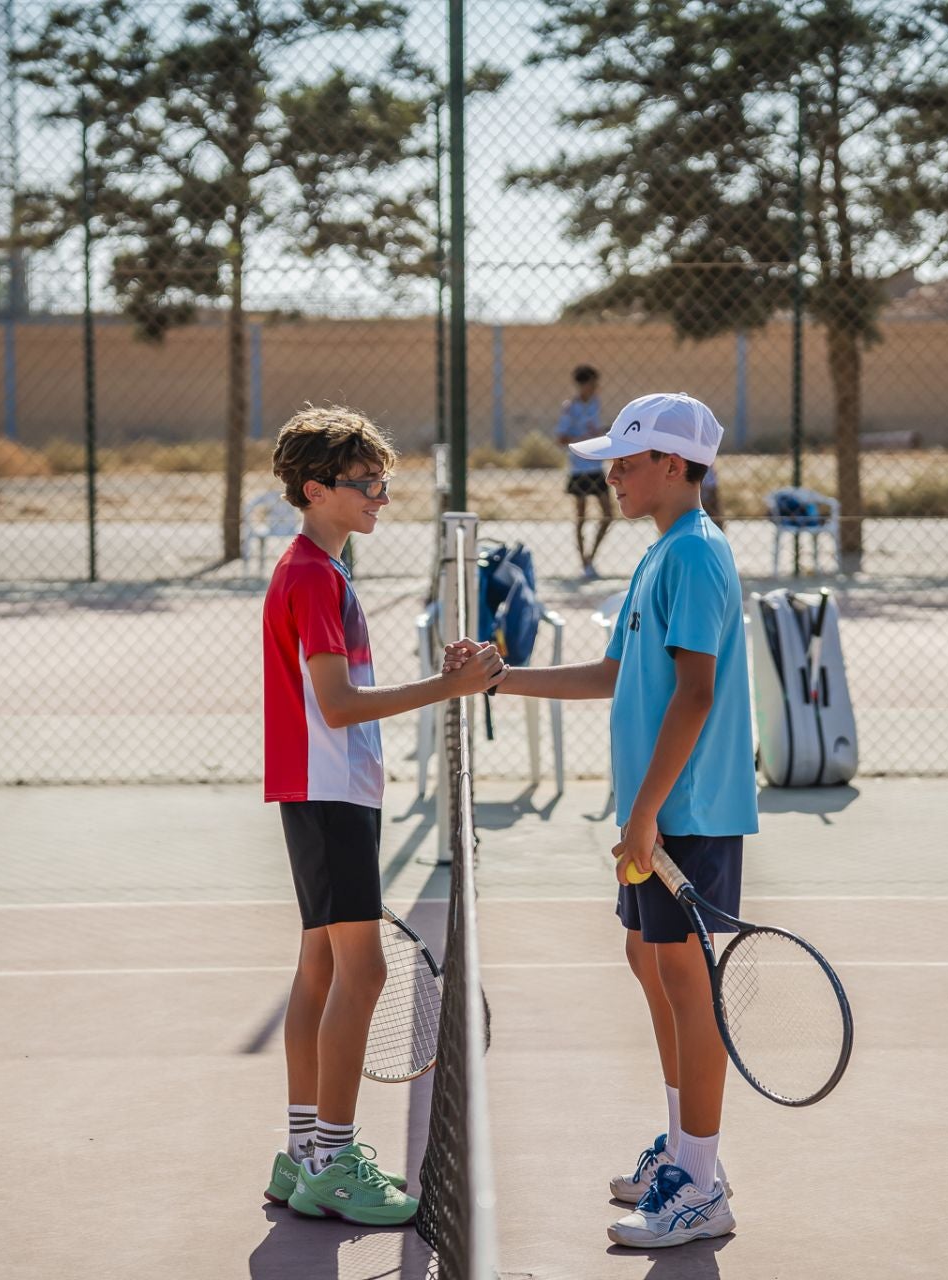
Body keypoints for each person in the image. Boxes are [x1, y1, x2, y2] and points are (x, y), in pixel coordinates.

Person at [449, 392, 757, 1250]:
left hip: (688, 811)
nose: (609, 475)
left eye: (625, 461)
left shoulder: (694, 556)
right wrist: (501, 676)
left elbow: (696, 695)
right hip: (661, 811)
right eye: (609, 461)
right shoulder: (660, 555)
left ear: (673, 465)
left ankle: (701, 1184)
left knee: (685, 981)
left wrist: (650, 812)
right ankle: (688, 1154)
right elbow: (616, 673)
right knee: (648, 961)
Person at [261, 406, 506, 1226]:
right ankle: (331, 1157)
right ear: (316, 488)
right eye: (366, 484)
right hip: (328, 794)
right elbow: (335, 706)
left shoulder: (316, 570)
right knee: (358, 973)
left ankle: (303, 1155)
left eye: (383, 482)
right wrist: (451, 690)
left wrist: (443, 680)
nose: (382, 498)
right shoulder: (313, 576)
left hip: (325, 793)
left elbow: (335, 698)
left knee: (321, 972)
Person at [557, 364, 614, 578]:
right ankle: (584, 563)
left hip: (596, 466)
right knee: (581, 517)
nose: (596, 388)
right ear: (583, 384)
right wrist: (584, 441)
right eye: (592, 384)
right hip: (579, 469)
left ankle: (591, 556)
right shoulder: (570, 408)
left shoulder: (595, 404)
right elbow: (561, 438)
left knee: (608, 515)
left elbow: (595, 429)